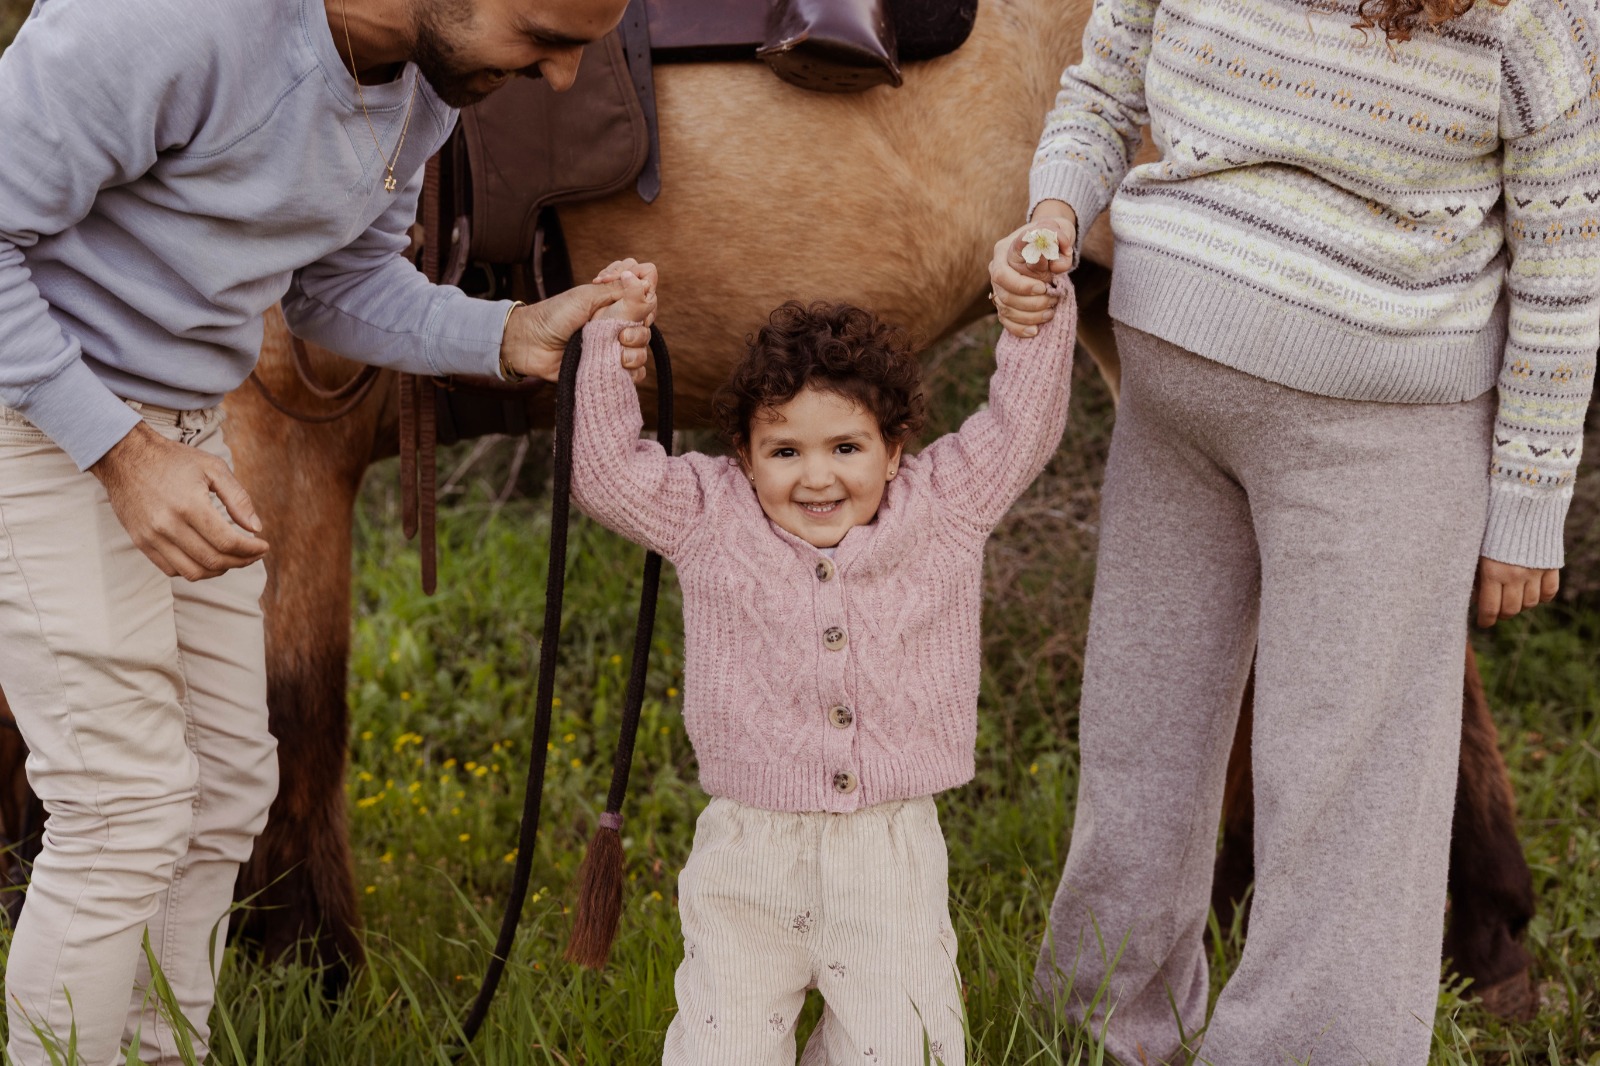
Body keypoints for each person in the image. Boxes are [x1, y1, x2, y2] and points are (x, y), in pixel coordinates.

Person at [0, 0, 654, 1059]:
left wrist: (507, 332)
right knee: (121, 804)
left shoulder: (422, 84)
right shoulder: (170, 23)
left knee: (224, 792)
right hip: (35, 420)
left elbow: (331, 284)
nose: (567, 78)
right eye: (545, 35)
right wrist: (121, 453)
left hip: (181, 430)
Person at [988, 0, 1599, 1061]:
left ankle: (1216, 1039)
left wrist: (1529, 501)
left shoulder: (1534, 18)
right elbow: (1102, 88)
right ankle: (1103, 1033)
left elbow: (1566, 260)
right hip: (1186, 399)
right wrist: (1050, 214)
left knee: (1326, 774)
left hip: (1372, 425)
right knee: (1160, 739)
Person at [568, 263, 1076, 1064]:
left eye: (846, 446)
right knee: (721, 1045)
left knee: (900, 1046)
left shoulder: (945, 506)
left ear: (894, 448)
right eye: (783, 449)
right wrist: (607, 344)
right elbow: (604, 476)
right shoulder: (711, 513)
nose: (816, 476)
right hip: (750, 851)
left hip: (889, 854)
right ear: (742, 452)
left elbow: (1025, 425)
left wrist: (1036, 307)